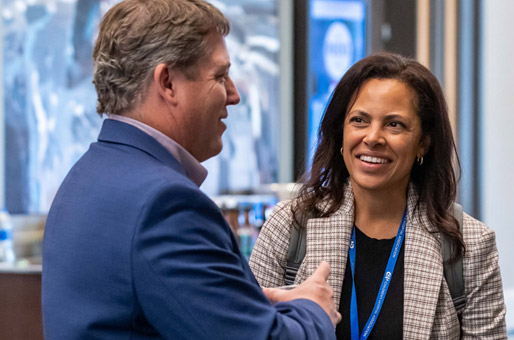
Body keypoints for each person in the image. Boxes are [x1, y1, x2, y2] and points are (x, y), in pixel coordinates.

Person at [42, 1, 339, 339]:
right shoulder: (166, 206)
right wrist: (315, 308)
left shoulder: (85, 177)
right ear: (167, 82)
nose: (234, 95)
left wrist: (254, 304)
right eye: (220, 76)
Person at [250, 53, 507, 339]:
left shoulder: (469, 245)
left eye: (394, 124)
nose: (373, 137)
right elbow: (248, 331)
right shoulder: (288, 227)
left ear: (423, 143)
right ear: (340, 132)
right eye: (359, 120)